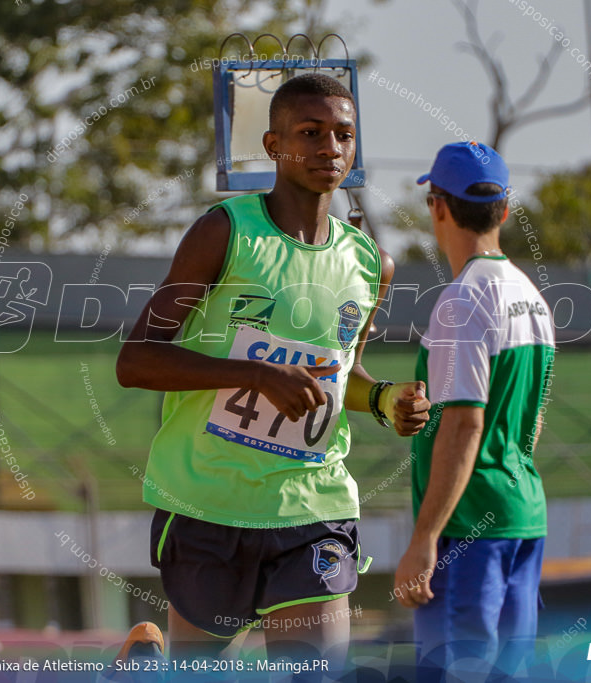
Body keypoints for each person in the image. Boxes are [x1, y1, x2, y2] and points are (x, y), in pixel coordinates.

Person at [116, 74, 430, 671]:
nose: (328, 149)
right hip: (209, 502)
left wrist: (386, 399)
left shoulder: (370, 264)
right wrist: (255, 377)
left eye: (343, 135)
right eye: (309, 134)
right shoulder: (225, 232)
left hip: (312, 508)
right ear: (273, 145)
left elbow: (343, 376)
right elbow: (135, 361)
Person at [392, 141, 555, 680]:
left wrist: (424, 539)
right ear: (504, 211)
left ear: (437, 205)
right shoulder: (530, 294)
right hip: (522, 515)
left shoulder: (463, 299)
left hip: (470, 529)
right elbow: (527, 416)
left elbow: (465, 423)